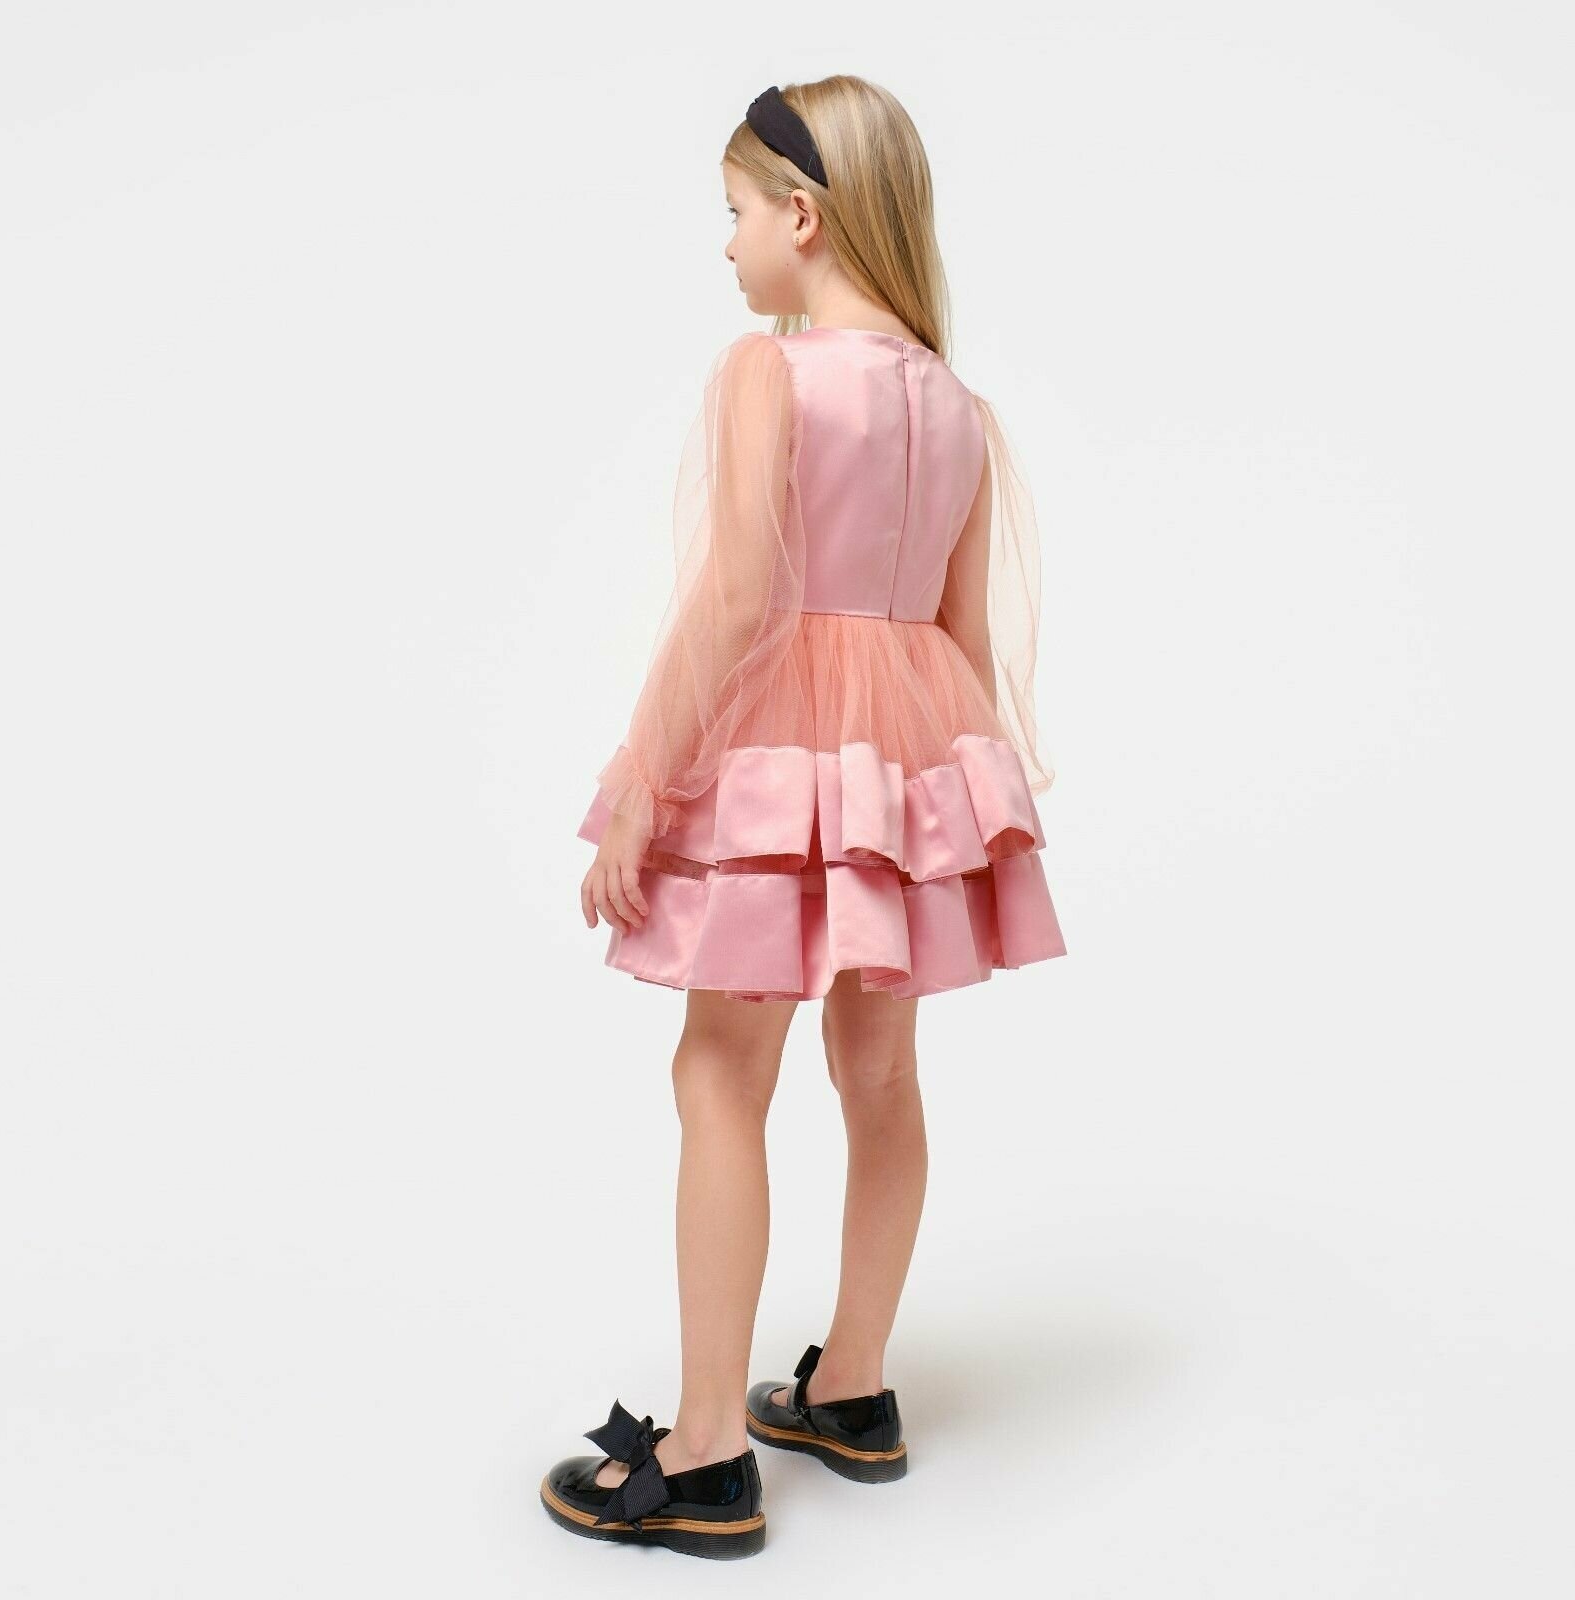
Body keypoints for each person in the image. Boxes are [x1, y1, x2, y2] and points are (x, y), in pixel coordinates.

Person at [540, 76, 1067, 1560]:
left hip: (778, 743)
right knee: (880, 1072)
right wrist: (957, 806)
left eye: (732, 213)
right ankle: (853, 1386)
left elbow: (733, 600)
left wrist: (647, 780)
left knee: (720, 1069)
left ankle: (710, 1450)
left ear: (803, 214)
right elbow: (964, 633)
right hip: (909, 754)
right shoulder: (960, 409)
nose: (725, 246)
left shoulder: (767, 373)